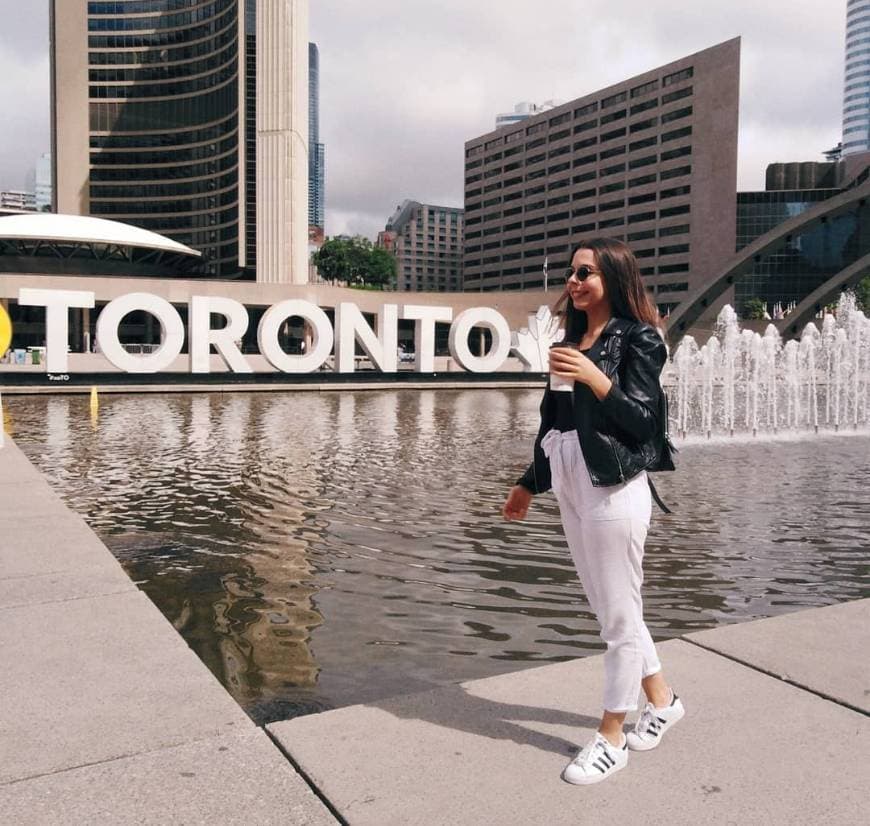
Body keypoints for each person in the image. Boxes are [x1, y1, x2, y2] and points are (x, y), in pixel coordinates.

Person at [502, 237, 684, 785]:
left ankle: (611, 736)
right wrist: (529, 483)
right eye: (571, 272)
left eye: (586, 272)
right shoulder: (571, 339)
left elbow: (645, 425)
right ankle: (664, 701)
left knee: (618, 618)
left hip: (615, 485)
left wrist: (595, 377)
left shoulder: (640, 339)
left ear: (613, 278)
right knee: (614, 608)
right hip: (571, 480)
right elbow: (553, 422)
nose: (574, 281)